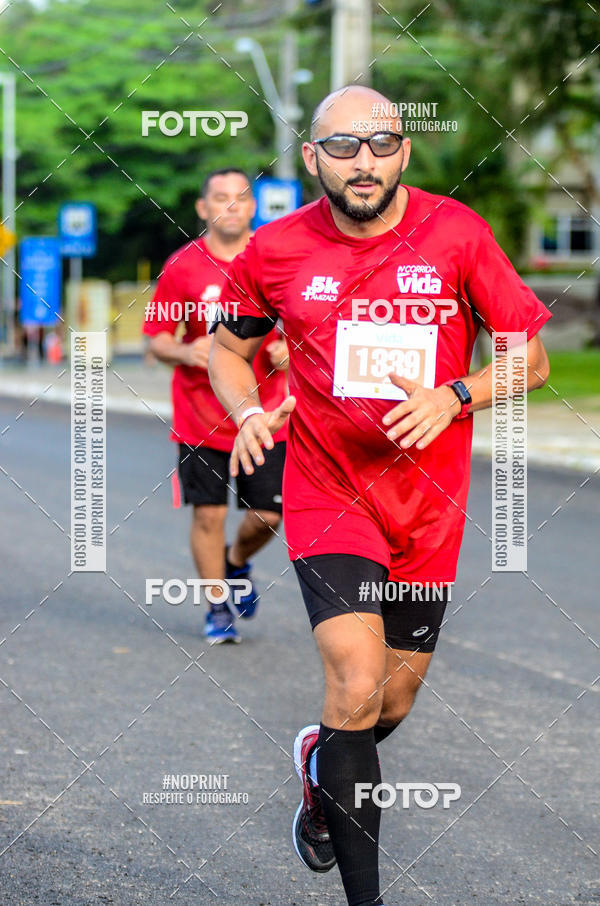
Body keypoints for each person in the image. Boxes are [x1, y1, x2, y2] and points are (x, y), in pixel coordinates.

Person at [208, 87, 551, 905]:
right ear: (311, 159)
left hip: (431, 503)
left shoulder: (458, 234)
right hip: (329, 488)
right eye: (343, 146)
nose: (364, 161)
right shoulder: (277, 250)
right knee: (355, 681)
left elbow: (529, 359)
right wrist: (248, 410)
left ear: (403, 151)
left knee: (391, 698)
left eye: (381, 143)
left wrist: (455, 396)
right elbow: (228, 350)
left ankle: (321, 764)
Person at [144, 168, 288, 644]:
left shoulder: (278, 258)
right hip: (200, 417)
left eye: (241, 197)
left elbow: (311, 324)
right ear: (203, 208)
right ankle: (216, 605)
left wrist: (292, 347)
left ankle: (236, 563)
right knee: (208, 514)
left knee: (269, 515)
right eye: (220, 198)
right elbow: (157, 341)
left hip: (266, 414)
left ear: (254, 207)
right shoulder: (182, 267)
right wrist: (187, 352)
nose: (232, 205)